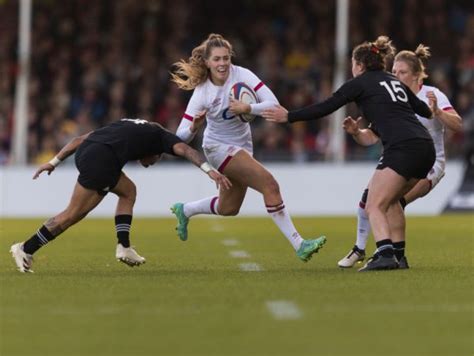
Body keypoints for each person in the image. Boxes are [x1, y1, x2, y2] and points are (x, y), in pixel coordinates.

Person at [262, 36, 436, 271]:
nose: (352, 68)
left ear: (360, 65)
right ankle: (399, 256)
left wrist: (289, 117)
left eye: (353, 64)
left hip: (403, 147)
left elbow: (327, 106)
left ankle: (385, 254)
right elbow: (425, 111)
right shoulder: (395, 82)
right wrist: (357, 131)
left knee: (373, 205)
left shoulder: (361, 82)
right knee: (391, 201)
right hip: (425, 148)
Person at [170, 33, 326, 262]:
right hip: (217, 147)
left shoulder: (242, 75)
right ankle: (300, 244)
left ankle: (186, 210)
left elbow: (273, 104)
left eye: (226, 58)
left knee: (229, 208)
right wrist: (194, 126)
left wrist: (248, 108)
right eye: (217, 59)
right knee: (270, 184)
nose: (222, 63)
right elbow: (180, 136)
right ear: (207, 62)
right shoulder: (203, 92)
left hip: (243, 145)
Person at [10, 118, 232, 273]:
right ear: (157, 151)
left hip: (90, 152)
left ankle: (123, 246)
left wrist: (54, 162)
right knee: (71, 215)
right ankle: (24, 249)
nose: (148, 165)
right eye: (154, 161)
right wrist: (210, 171)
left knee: (127, 191)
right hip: (102, 160)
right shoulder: (162, 138)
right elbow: (187, 150)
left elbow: (79, 139)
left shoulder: (129, 123)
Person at [337, 44, 463, 269]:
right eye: (393, 71)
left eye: (402, 72)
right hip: (400, 159)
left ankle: (389, 253)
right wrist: (357, 133)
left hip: (431, 163)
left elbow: (457, 124)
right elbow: (372, 136)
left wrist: (437, 112)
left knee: (392, 201)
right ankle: (388, 254)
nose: (395, 76)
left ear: (417, 75)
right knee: (375, 201)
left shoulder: (432, 94)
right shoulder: (392, 96)